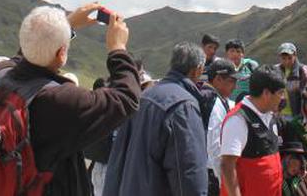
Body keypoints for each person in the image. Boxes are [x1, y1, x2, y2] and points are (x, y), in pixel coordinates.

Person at [0, 3, 140, 195]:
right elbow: (126, 98)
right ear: (62, 53)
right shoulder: (59, 100)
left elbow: (23, 57)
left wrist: (64, 26)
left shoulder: (1, 75)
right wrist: (118, 48)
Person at [104, 42, 209, 196]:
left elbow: (117, 159)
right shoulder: (184, 105)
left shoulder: (143, 97)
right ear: (198, 70)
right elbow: (188, 172)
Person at [219, 65, 286, 196]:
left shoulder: (270, 115)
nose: (283, 98)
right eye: (280, 93)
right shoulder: (238, 120)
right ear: (266, 93)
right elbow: (227, 166)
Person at [203, 60, 238, 195]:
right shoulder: (215, 103)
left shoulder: (213, 99)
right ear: (218, 79)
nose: (235, 87)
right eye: (231, 81)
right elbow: (214, 145)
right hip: (211, 174)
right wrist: (223, 180)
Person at [275, 43, 307, 120]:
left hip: (298, 115)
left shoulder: (303, 71)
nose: (286, 61)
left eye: (290, 58)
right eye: (283, 58)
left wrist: (306, 116)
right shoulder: (275, 70)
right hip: (279, 115)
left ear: (295, 55)